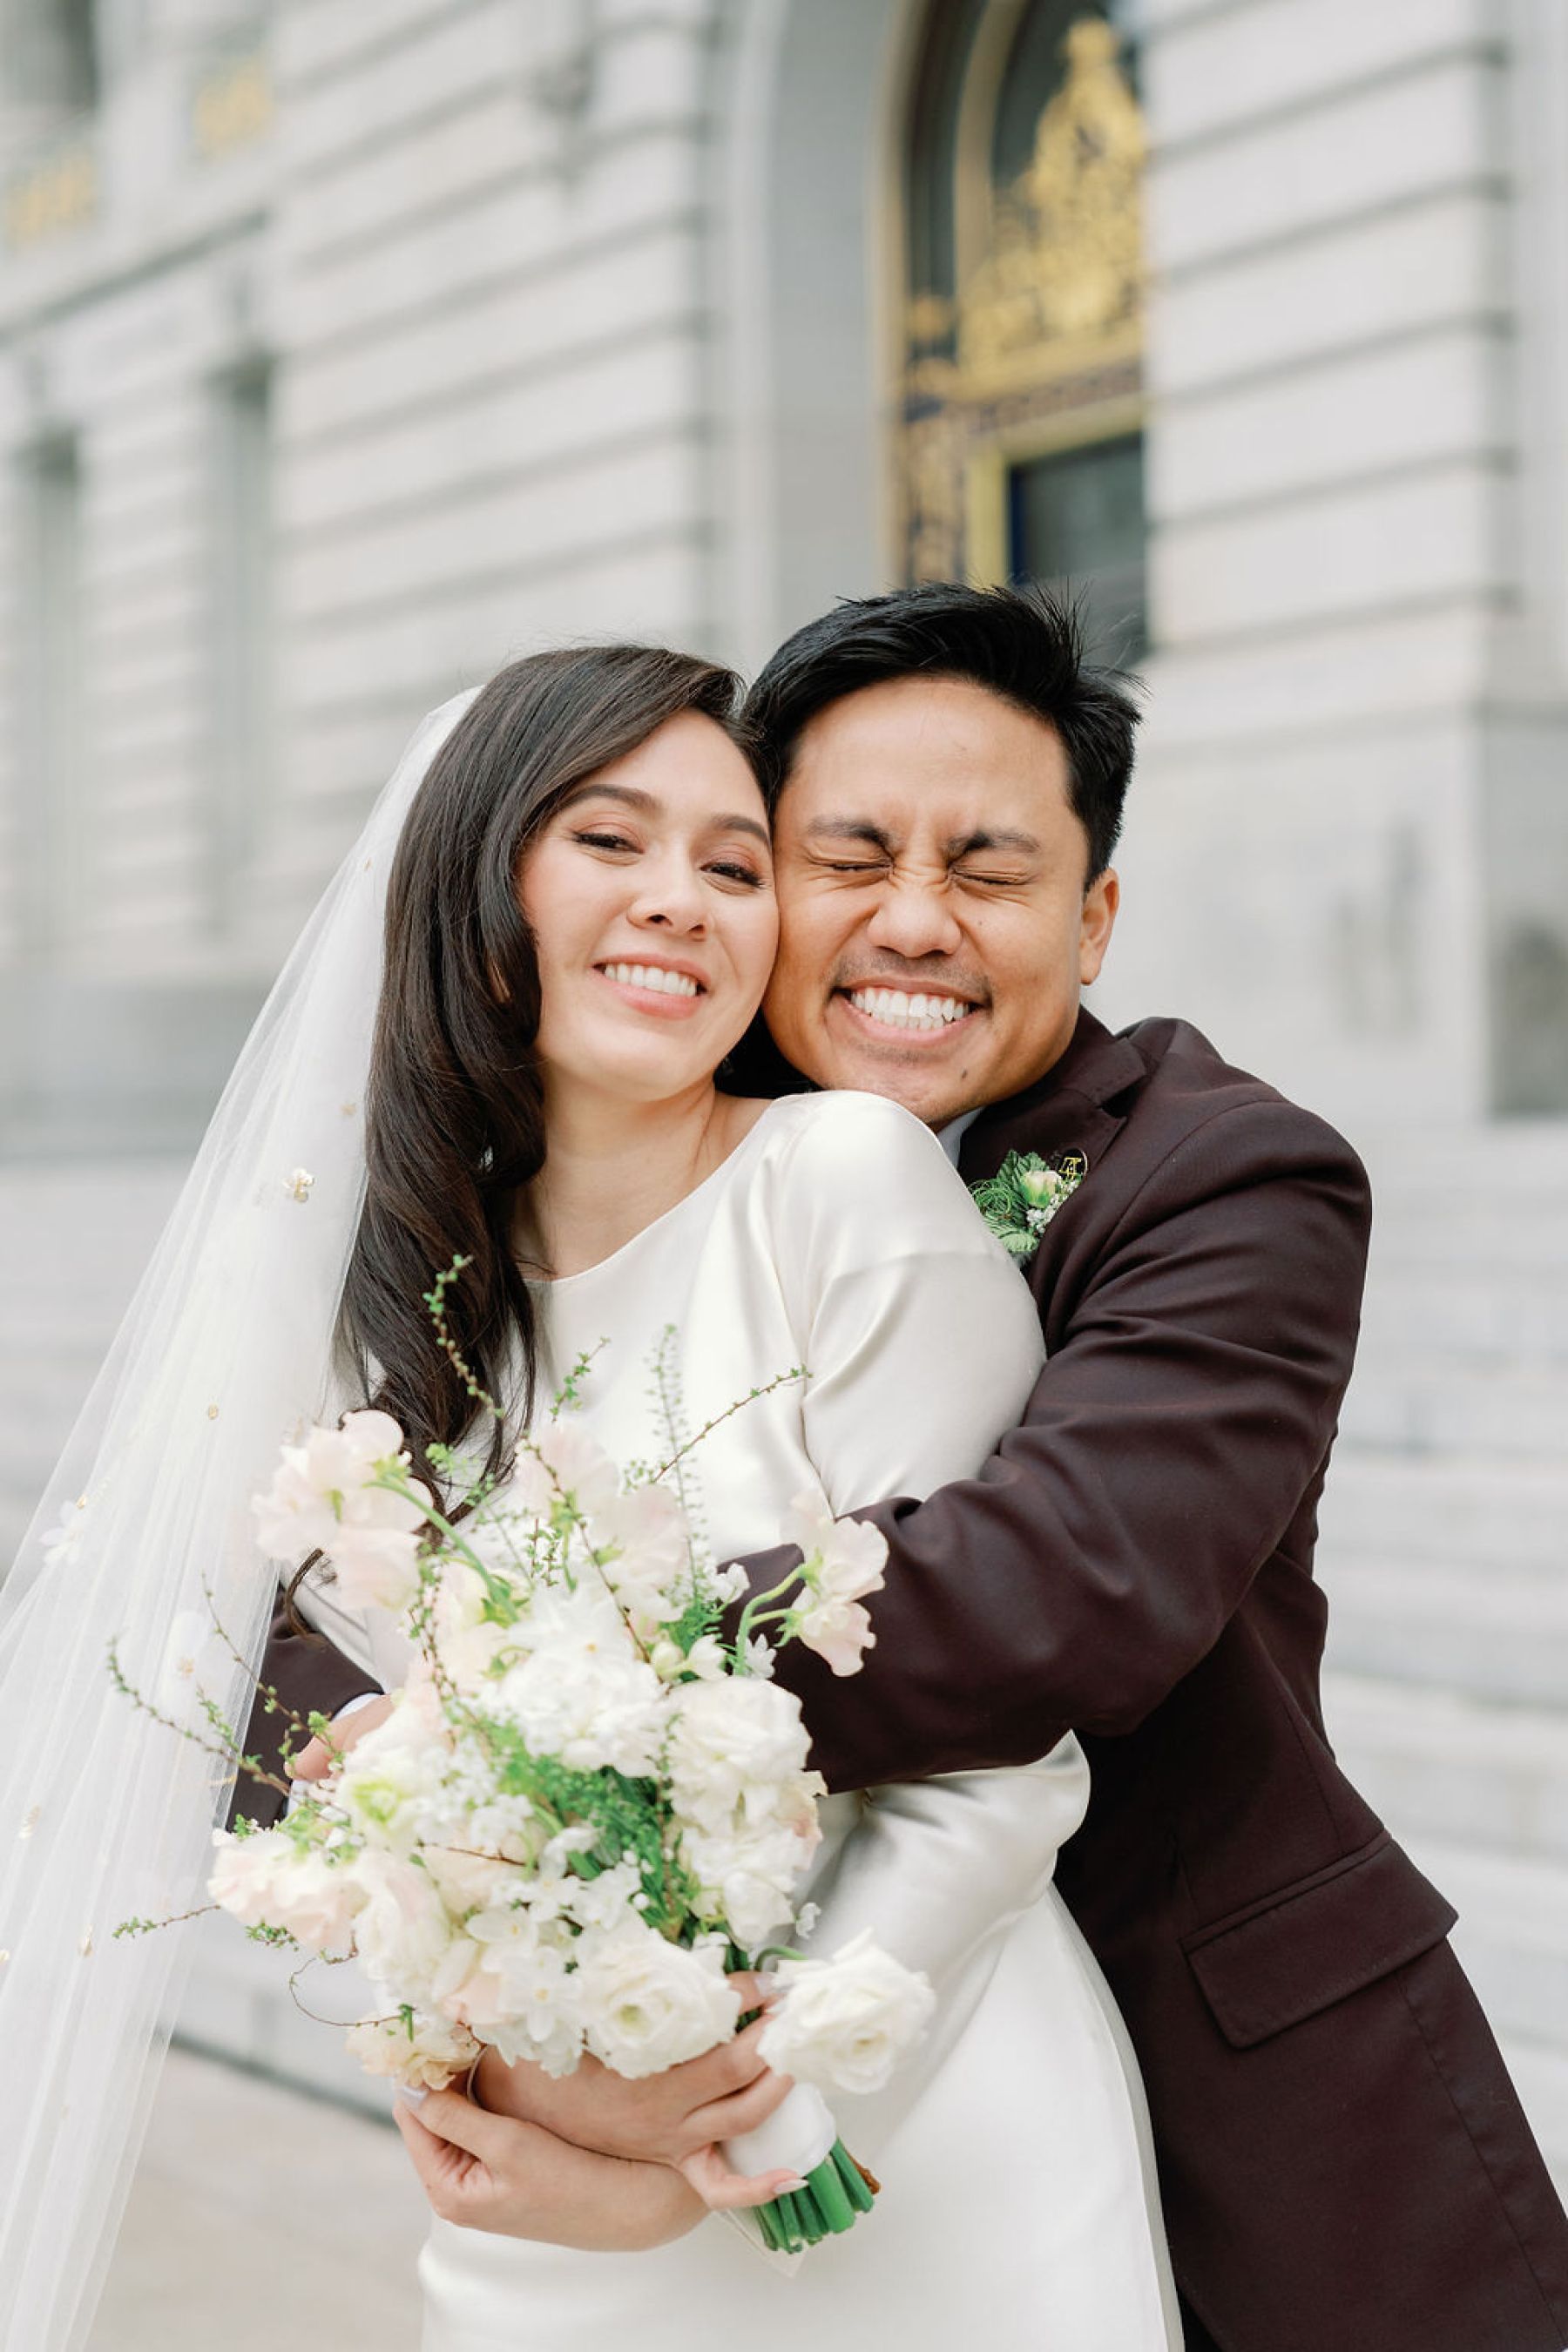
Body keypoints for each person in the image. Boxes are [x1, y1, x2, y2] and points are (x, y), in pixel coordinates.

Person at [299, 587, 1568, 2352]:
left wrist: (524, 1703)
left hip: (1189, 2065)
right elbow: (318, 1654)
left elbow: (1058, 1596)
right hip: (697, 2094)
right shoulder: (589, 1185)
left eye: (989, 871)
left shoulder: (1231, 1179)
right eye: (846, 859)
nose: (914, 923)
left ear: (1096, 913)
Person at [0, 642, 1179, 2350]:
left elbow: (989, 1764)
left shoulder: (835, 1190)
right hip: (549, 2204)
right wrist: (480, 2040)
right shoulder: (371, 1331)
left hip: (913, 2133)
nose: (680, 902)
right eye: (610, 843)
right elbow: (368, 1798)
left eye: (732, 862)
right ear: (484, 895)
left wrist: (744, 2138)